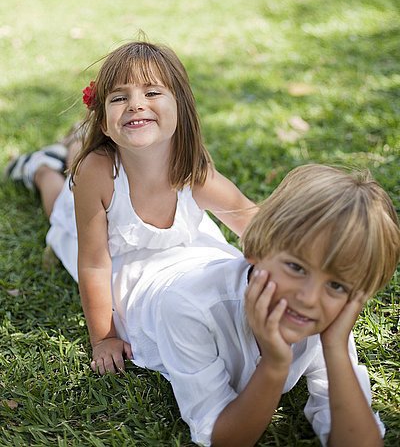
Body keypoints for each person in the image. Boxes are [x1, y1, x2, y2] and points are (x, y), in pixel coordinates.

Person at [5, 41, 255, 375]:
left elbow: (253, 221)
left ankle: (70, 142)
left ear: (180, 107)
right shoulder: (96, 172)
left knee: (77, 163)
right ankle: (40, 170)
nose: (136, 104)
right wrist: (103, 337)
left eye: (152, 93)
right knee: (59, 209)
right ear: (105, 122)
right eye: (120, 98)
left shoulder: (192, 170)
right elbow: (94, 264)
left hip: (166, 251)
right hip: (103, 239)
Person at [111, 164, 399, 447]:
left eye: (336, 286)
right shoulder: (188, 308)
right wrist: (274, 365)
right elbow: (221, 437)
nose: (309, 298)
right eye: (296, 268)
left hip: (206, 254)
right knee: (71, 210)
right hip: (133, 273)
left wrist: (335, 348)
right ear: (257, 250)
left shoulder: (324, 318)